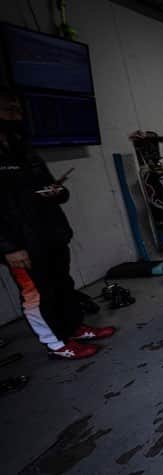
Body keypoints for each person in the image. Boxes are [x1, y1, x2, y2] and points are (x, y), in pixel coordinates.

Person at [0, 93, 115, 360]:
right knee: (37, 295)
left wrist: (57, 191)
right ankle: (56, 343)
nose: (16, 111)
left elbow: (52, 186)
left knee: (62, 284)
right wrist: (8, 247)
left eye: (18, 106)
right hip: (20, 244)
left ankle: (74, 328)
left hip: (50, 233)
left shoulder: (23, 147)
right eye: (8, 106)